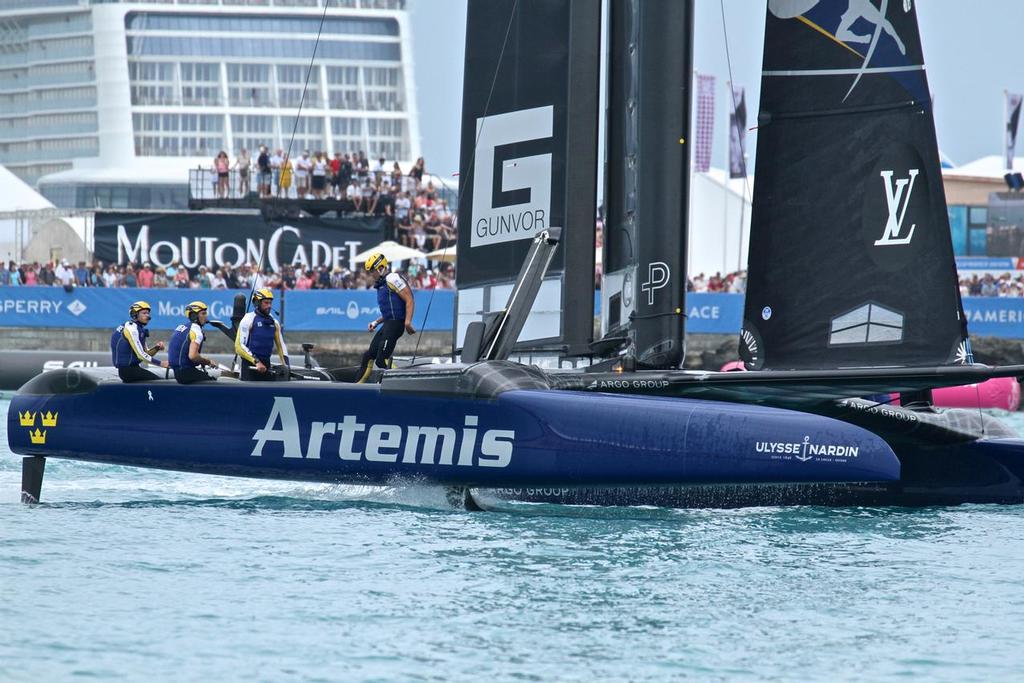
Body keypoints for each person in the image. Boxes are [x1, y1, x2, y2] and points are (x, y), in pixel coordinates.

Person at [356, 252, 415, 383]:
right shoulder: (382, 284)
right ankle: (357, 386)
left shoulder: (393, 278)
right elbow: (391, 310)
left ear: (380, 268)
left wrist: (408, 322)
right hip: (388, 323)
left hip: (396, 325)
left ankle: (405, 380)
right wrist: (376, 322)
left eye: (372, 271)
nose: (371, 274)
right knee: (368, 356)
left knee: (381, 359)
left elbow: (409, 299)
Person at [235, 287, 289, 381]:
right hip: (250, 366)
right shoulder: (248, 319)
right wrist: (256, 361)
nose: (269, 306)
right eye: (266, 303)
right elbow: (239, 346)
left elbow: (281, 346)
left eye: (270, 303)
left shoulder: (274, 322)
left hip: (266, 366)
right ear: (257, 303)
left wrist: (286, 366)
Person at [110, 301, 169, 382]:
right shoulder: (131, 329)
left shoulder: (138, 328)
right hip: (128, 371)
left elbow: (146, 354)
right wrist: (161, 363)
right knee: (159, 383)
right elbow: (141, 355)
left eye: (148, 313)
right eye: (144, 313)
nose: (148, 316)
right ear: (135, 314)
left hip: (133, 369)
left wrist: (157, 348)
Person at [168, 301, 217, 384]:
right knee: (213, 383)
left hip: (178, 372)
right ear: (194, 315)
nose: (206, 316)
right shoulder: (196, 330)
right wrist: (208, 362)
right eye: (203, 314)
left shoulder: (181, 326)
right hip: (186, 373)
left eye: (206, 313)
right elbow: (193, 356)